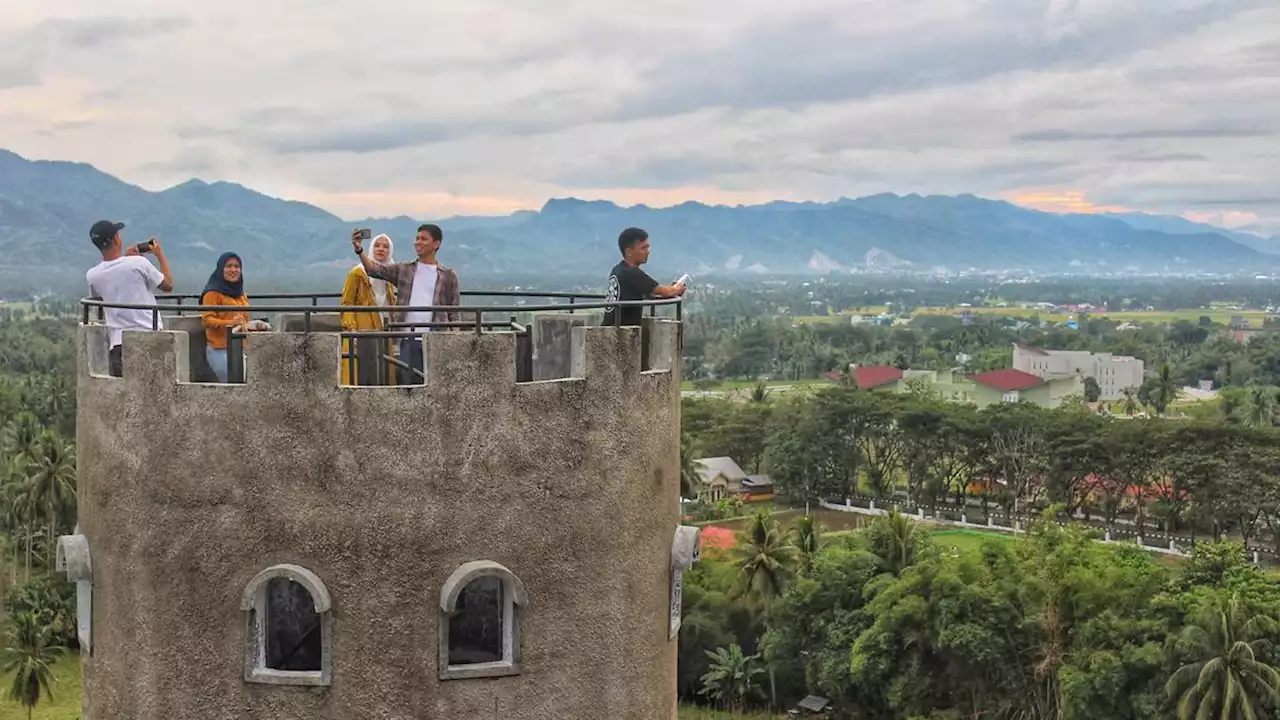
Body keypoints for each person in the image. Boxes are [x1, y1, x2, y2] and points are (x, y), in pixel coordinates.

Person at [350, 224, 460, 382]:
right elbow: (374, 270)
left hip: (436, 339)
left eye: (424, 239)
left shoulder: (448, 276)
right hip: (409, 339)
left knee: (435, 386)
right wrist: (359, 250)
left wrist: (455, 339)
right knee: (408, 385)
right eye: (417, 238)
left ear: (436, 244)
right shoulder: (405, 270)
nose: (418, 242)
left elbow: (454, 312)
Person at [84, 220, 175, 377]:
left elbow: (100, 297)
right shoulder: (139, 263)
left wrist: (124, 259)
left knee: (125, 398)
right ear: (116, 239)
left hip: (118, 345)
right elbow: (168, 285)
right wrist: (159, 254)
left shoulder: (92, 276)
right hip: (148, 338)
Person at [200, 252, 268, 383]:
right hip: (220, 349)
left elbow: (242, 321)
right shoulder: (212, 293)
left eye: (237, 266)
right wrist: (231, 323)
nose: (233, 270)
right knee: (233, 387)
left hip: (240, 348)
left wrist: (254, 325)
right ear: (221, 269)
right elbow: (207, 320)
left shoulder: (240, 294)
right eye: (228, 266)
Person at [340, 233, 397, 385]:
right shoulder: (358, 273)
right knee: (361, 371)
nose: (381, 249)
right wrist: (351, 328)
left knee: (382, 371)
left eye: (385, 247)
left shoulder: (389, 274)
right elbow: (347, 303)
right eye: (377, 245)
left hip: (383, 329)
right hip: (361, 328)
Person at [602, 227, 686, 327]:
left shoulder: (617, 269)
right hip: (620, 333)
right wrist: (677, 288)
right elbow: (664, 291)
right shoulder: (632, 273)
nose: (647, 252)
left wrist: (672, 290)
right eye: (643, 248)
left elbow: (649, 293)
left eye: (647, 247)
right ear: (629, 252)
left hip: (609, 328)